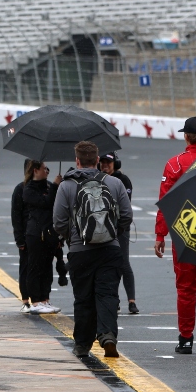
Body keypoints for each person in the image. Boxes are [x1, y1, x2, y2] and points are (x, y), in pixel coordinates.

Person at [53, 141, 132, 359]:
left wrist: (72, 237)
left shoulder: (67, 186)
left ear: (77, 161)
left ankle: (82, 344)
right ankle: (107, 335)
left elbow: (59, 221)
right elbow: (126, 215)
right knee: (107, 294)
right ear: (97, 160)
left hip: (80, 251)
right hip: (110, 249)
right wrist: (113, 232)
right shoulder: (114, 183)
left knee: (83, 297)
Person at [154, 117, 196, 356]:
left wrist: (160, 234)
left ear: (186, 136)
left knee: (185, 288)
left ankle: (185, 339)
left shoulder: (174, 164)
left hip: (184, 231)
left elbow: (166, 202)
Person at [21, 161, 62, 314]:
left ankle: (45, 299)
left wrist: (57, 186)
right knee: (35, 267)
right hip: (36, 233)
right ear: (35, 170)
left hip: (50, 232)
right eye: (45, 169)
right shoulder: (29, 189)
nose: (47, 172)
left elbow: (56, 203)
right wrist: (55, 186)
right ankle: (36, 301)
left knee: (46, 268)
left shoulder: (49, 186)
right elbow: (45, 202)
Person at [100, 152, 138, 315]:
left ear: (116, 164)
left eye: (108, 162)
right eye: (102, 162)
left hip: (120, 227)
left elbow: (124, 202)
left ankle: (131, 300)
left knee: (123, 262)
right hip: (102, 226)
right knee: (106, 264)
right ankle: (113, 299)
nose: (105, 166)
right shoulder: (97, 179)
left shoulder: (123, 180)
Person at [10, 159, 31, 312]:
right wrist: (19, 239)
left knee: (41, 269)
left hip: (41, 236)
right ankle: (25, 300)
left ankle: (42, 298)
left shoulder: (47, 187)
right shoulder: (20, 189)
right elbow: (16, 216)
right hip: (25, 236)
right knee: (25, 268)